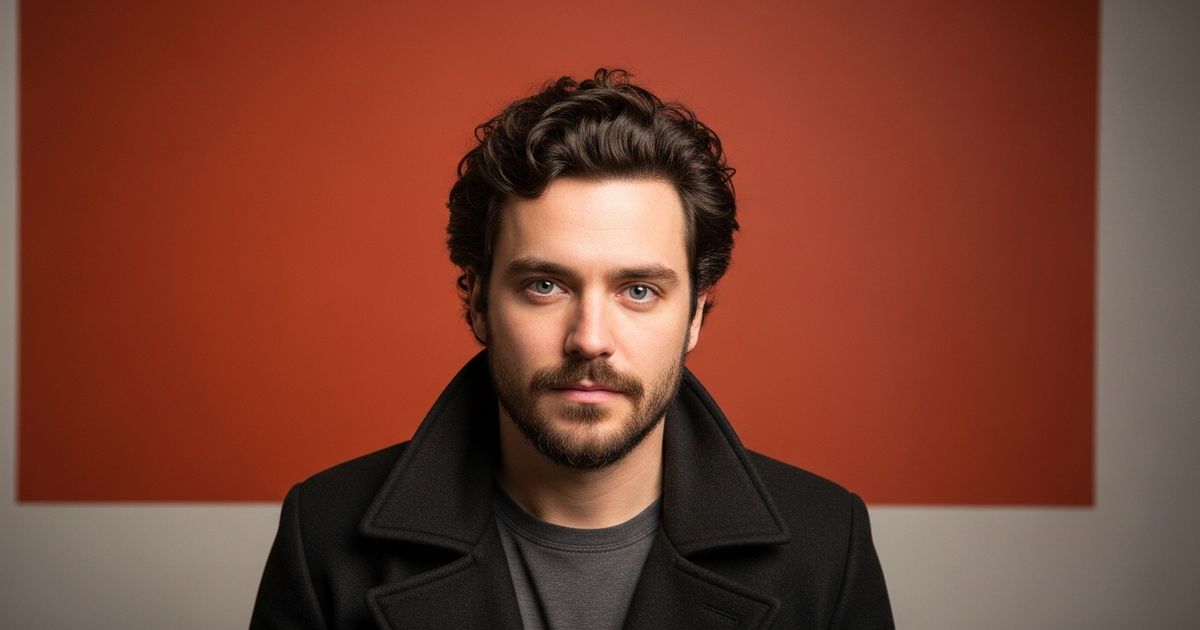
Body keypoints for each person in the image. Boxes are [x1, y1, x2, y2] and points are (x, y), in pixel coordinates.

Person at [250, 68, 894, 630]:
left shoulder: (825, 544)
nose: (589, 338)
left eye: (638, 290)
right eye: (545, 285)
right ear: (476, 301)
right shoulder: (325, 535)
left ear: (695, 315)